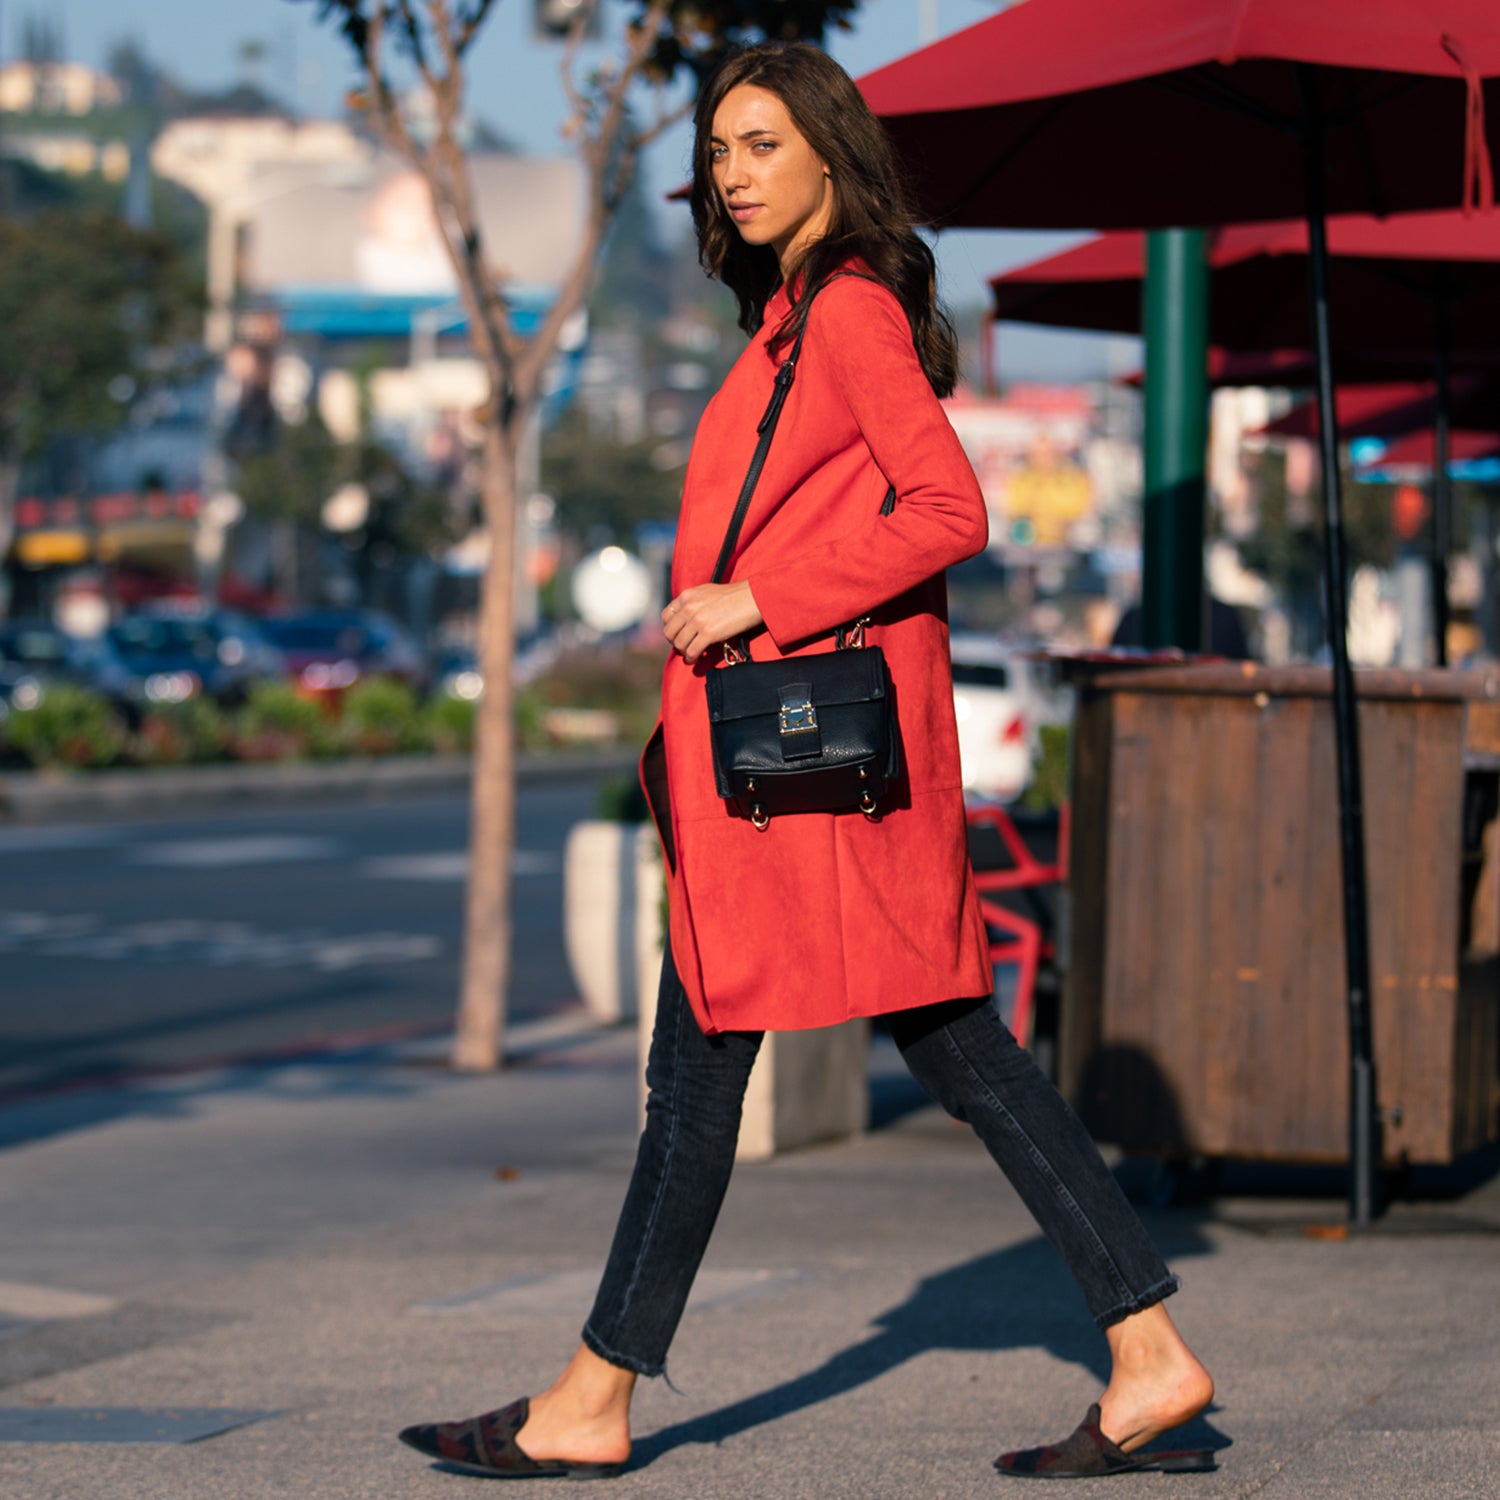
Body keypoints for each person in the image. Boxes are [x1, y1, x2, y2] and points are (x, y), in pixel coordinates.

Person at [398, 40, 1214, 1483]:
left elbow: (948, 505)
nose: (733, 171)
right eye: (720, 150)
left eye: (762, 143)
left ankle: (593, 1402)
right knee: (943, 1051)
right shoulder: (795, 318)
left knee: (723, 1075)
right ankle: (1145, 1351)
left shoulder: (843, 314)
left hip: (794, 776)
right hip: (802, 779)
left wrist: (759, 597)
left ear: (831, 153)